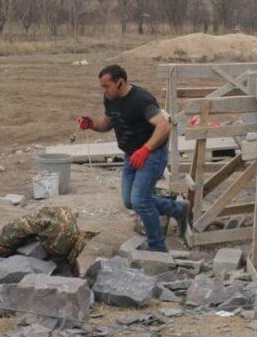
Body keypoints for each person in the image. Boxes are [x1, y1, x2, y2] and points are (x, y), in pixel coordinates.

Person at [76, 64, 190, 252]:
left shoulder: (141, 100)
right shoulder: (110, 99)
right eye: (102, 87)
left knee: (141, 201)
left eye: (107, 86)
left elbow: (163, 126)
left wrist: (145, 150)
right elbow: (108, 122)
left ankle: (157, 249)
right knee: (130, 201)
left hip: (152, 154)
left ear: (120, 82)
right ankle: (177, 209)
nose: (104, 91)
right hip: (131, 154)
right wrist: (92, 124)